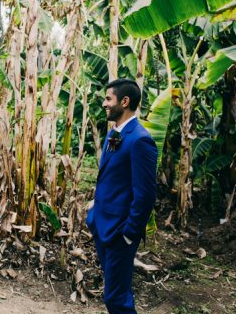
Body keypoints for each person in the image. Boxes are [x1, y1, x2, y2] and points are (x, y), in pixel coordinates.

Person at [86, 78, 157, 314]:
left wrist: (129, 234)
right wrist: (94, 213)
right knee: (116, 293)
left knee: (116, 298)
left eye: (108, 99)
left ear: (124, 101)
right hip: (103, 225)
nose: (104, 103)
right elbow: (110, 177)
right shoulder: (115, 134)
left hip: (119, 232)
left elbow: (145, 194)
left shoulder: (140, 140)